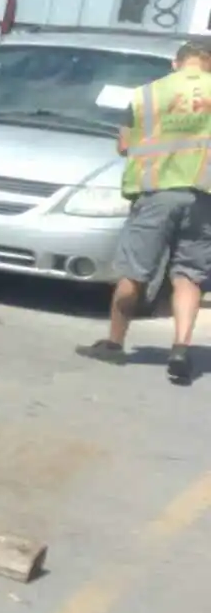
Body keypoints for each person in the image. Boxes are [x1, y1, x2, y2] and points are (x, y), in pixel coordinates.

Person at [78, 38, 211, 385]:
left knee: (134, 272)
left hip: (156, 194)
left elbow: (125, 145)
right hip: (204, 197)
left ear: (176, 63)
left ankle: (114, 342)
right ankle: (180, 348)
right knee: (189, 275)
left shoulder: (145, 95)